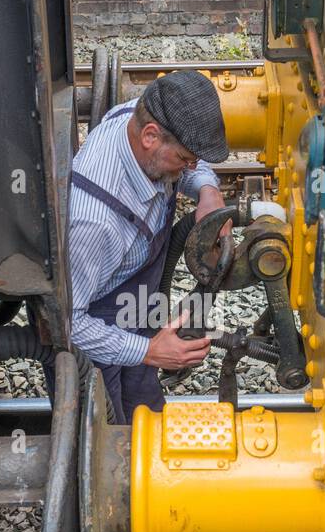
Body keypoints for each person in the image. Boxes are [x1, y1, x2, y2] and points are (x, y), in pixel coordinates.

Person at [69, 69, 229, 423]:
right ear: (150, 137)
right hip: (95, 335)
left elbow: (194, 165)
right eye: (184, 160)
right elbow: (69, 324)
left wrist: (208, 190)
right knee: (109, 440)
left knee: (146, 412)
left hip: (137, 303)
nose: (189, 168)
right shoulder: (95, 221)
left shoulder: (140, 116)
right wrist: (149, 351)